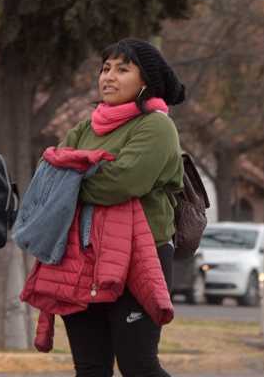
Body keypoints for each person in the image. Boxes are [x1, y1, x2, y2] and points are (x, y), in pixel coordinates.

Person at [28, 38, 186, 377]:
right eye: (105, 68)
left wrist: (72, 177)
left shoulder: (156, 126)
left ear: (146, 82)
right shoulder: (86, 126)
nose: (108, 77)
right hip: (82, 258)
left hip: (140, 257)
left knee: (138, 365)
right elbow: (48, 176)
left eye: (123, 69)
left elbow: (122, 182)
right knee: (89, 367)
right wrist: (76, 173)